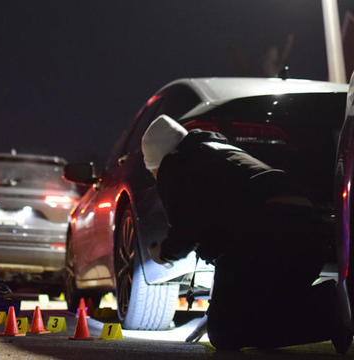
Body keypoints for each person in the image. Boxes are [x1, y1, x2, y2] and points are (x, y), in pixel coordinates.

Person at [143, 115, 352, 353]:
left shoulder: (175, 164)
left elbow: (186, 230)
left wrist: (164, 254)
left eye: (153, 172)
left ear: (157, 161)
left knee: (227, 333)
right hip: (306, 234)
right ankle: (332, 306)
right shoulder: (217, 152)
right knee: (263, 309)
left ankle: (330, 311)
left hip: (269, 235)